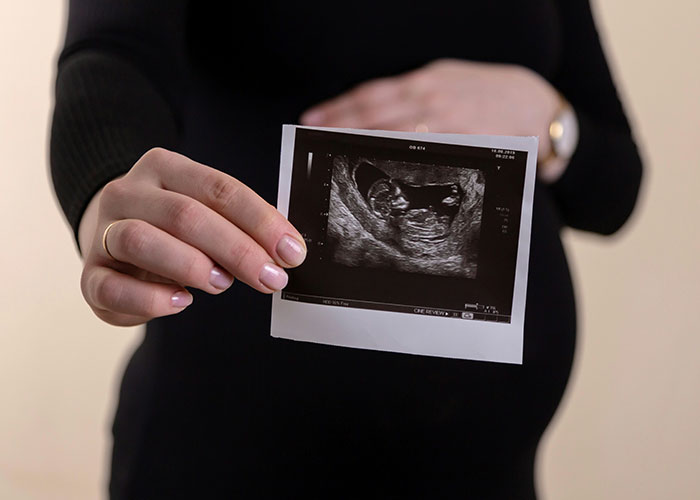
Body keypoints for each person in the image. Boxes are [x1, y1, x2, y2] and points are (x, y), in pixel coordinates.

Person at [50, 1, 642, 498]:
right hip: (230, 449)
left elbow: (615, 190)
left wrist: (550, 119)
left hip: (488, 469)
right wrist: (107, 189)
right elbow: (113, 54)